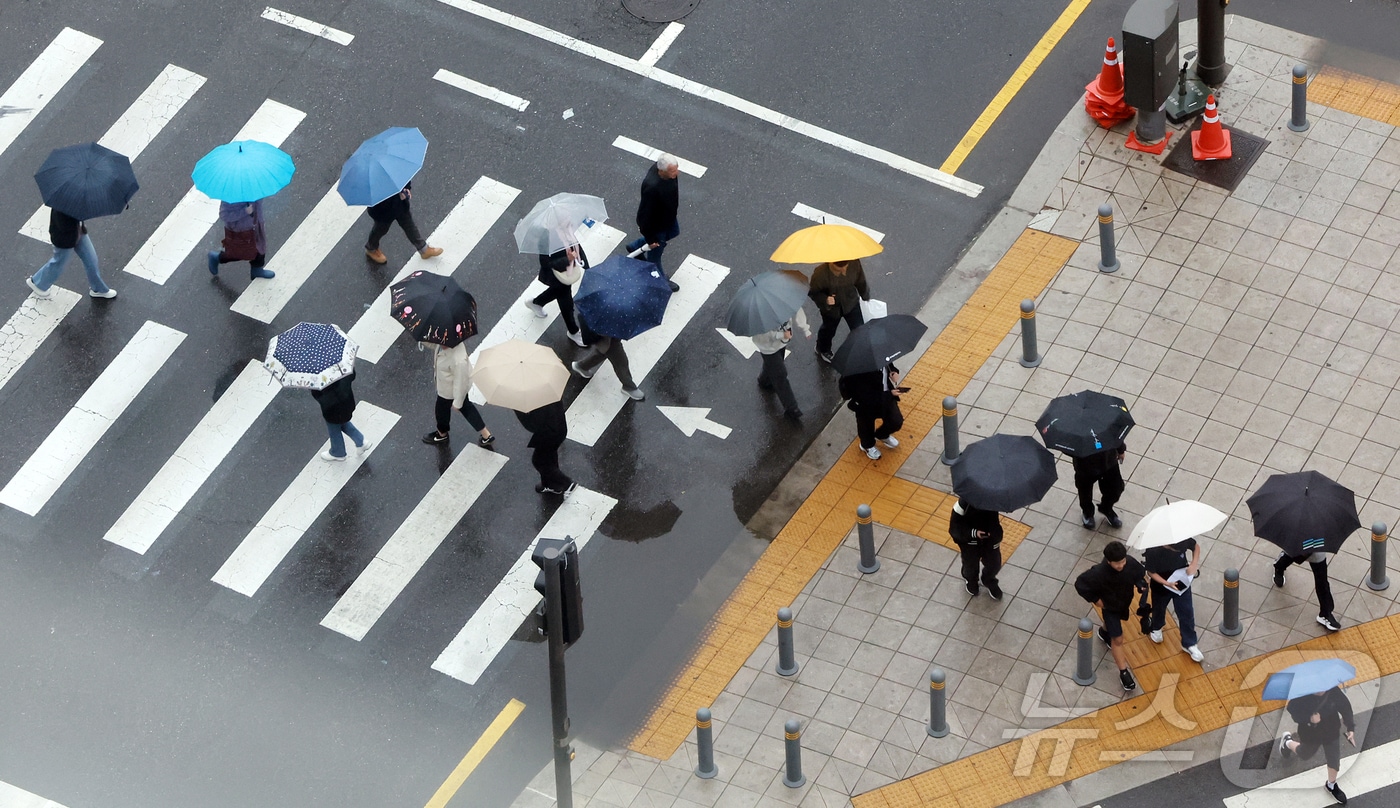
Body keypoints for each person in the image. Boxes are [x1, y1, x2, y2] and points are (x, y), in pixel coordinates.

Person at [1074, 540, 1147, 691]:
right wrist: (1096, 600)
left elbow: (1138, 575)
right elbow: (1080, 584)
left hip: (1123, 603)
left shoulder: (1130, 564)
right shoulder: (1098, 573)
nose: (1121, 565)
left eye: (1122, 561)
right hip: (1110, 607)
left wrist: (1140, 584)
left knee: (1112, 628)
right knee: (1118, 638)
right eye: (1116, 563)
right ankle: (1124, 672)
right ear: (1108, 561)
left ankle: (1104, 632)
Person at [1279, 685, 1354, 804]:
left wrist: (1350, 728)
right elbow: (1293, 712)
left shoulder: (1333, 691)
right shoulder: (1302, 697)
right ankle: (1287, 742)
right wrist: (1309, 718)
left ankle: (1331, 785)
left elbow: (1345, 707)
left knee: (1334, 758)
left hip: (1331, 730)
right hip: (1311, 734)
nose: (1321, 690)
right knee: (1304, 753)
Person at [26, 208, 115, 299]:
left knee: (91, 259)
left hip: (78, 232)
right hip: (65, 239)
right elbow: (63, 225)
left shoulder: (71, 200)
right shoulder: (62, 205)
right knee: (58, 263)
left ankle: (98, 289)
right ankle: (37, 283)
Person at [419, 342, 494, 447]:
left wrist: (457, 402)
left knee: (441, 412)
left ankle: (442, 434)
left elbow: (461, 383)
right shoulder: (444, 343)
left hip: (449, 390)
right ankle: (486, 435)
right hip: (449, 386)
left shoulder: (458, 360)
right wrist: (423, 340)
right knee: (467, 408)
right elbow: (434, 345)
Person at [626, 154, 681, 292]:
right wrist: (651, 239)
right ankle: (660, 281)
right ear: (661, 171)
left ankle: (635, 246)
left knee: (675, 231)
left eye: (676, 169)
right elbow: (643, 217)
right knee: (655, 258)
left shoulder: (667, 174)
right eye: (673, 171)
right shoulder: (652, 188)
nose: (677, 173)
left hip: (668, 218)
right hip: (657, 226)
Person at [1144, 537, 1204, 662]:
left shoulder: (1180, 539)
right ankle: (1156, 627)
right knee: (1159, 608)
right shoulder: (1153, 550)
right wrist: (1166, 583)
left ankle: (1189, 643)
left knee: (1186, 612)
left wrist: (1194, 564)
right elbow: (1151, 572)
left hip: (1181, 582)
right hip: (1161, 587)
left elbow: (1195, 546)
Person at [570, 312, 645, 401]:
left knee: (602, 353)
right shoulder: (602, 309)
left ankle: (582, 366)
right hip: (608, 338)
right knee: (621, 362)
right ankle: (629, 387)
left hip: (609, 337)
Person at [364, 181, 443, 264]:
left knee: (409, 226)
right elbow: (374, 200)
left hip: (400, 205)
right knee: (381, 229)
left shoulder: (391, 169)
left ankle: (423, 249)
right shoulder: (371, 182)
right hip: (383, 213)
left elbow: (402, 177)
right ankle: (371, 247)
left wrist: (406, 188)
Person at [808, 259, 869, 363]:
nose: (843, 271)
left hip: (851, 303)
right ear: (831, 263)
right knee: (828, 330)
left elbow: (860, 280)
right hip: (832, 310)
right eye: (839, 269)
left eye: (845, 267)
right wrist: (825, 300)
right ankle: (823, 349)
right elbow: (813, 292)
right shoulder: (820, 273)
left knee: (859, 329)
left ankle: (859, 351)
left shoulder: (854, 262)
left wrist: (865, 295)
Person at [753, 310, 809, 421]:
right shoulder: (758, 316)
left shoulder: (781, 303)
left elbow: (796, 310)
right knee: (780, 375)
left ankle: (764, 380)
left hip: (781, 343)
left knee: (774, 366)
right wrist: (781, 334)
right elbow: (761, 337)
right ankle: (792, 408)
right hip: (768, 348)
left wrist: (805, 328)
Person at [526, 243, 586, 346]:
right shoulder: (546, 237)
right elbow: (545, 263)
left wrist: (583, 263)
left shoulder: (565, 231)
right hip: (556, 276)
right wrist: (568, 259)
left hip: (567, 271)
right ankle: (573, 331)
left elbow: (576, 245)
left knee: (558, 293)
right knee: (566, 302)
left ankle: (537, 302)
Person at [841, 362, 903, 459]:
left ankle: (882, 435)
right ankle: (867, 446)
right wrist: (890, 394)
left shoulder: (878, 353)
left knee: (896, 421)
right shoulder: (856, 371)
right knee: (866, 427)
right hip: (866, 404)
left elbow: (887, 363)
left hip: (886, 397)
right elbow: (865, 395)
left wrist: (893, 371)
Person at [515, 400, 575, 496]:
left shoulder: (536, 404)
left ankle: (567, 483)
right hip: (559, 427)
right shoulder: (546, 393)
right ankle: (550, 484)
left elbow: (532, 426)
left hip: (549, 433)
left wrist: (519, 410)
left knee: (539, 461)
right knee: (549, 454)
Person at [207, 200, 275, 281]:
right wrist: (245, 211)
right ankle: (217, 257)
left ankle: (257, 269)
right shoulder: (230, 198)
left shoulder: (253, 191)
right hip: (241, 230)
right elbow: (224, 215)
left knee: (260, 247)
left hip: (256, 225)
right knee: (239, 253)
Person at [949, 498, 1003, 599]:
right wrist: (974, 533)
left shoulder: (992, 501)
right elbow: (955, 529)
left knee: (994, 564)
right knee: (970, 566)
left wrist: (995, 537)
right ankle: (971, 580)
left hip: (989, 541)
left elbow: (995, 523)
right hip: (970, 543)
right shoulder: (962, 505)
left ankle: (988, 579)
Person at [1274, 551, 1341, 631]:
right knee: (1289, 555)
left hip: (1317, 549)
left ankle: (1325, 614)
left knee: (1322, 582)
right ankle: (1278, 568)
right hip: (1299, 545)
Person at [311, 371, 370, 461]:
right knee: (342, 421)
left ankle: (338, 452)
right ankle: (360, 441)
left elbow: (318, 395)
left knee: (334, 429)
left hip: (332, 408)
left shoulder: (318, 377)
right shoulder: (338, 366)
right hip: (347, 401)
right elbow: (352, 375)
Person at [1074, 444, 1126, 529]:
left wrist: (1121, 450)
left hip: (1108, 460)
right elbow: (1067, 446)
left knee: (1116, 488)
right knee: (1085, 491)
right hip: (1085, 464)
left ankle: (1106, 508)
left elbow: (1114, 434)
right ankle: (1088, 513)